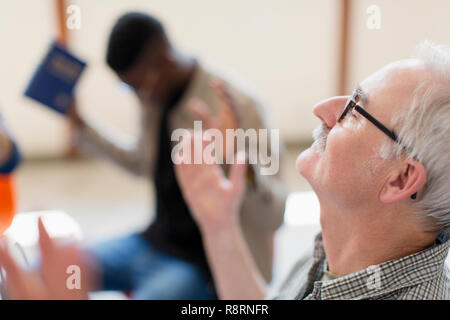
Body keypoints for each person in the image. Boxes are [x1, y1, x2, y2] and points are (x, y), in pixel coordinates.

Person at [174, 41, 450, 300]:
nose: (321, 109)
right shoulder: (342, 247)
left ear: (401, 179)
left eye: (354, 109)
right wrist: (219, 224)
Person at [69, 12, 287, 299]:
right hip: (154, 241)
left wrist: (236, 157)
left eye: (140, 86)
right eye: (128, 89)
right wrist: (82, 126)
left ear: (165, 61)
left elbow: (274, 215)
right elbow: (142, 163)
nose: (139, 97)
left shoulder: (239, 106)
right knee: (59, 267)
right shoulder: (156, 96)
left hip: (204, 262)